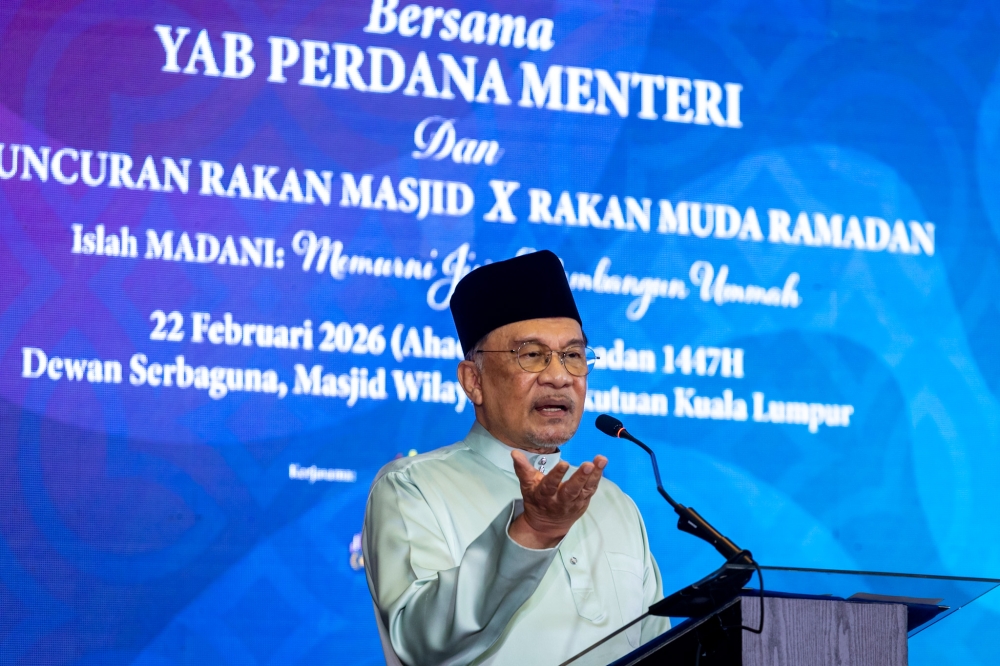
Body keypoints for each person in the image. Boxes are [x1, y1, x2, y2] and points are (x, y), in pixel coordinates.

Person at [362, 250, 669, 666]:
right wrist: (532, 532)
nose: (559, 376)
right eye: (532, 354)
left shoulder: (615, 504)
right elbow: (420, 645)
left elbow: (659, 650)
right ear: (474, 381)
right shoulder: (412, 487)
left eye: (573, 355)